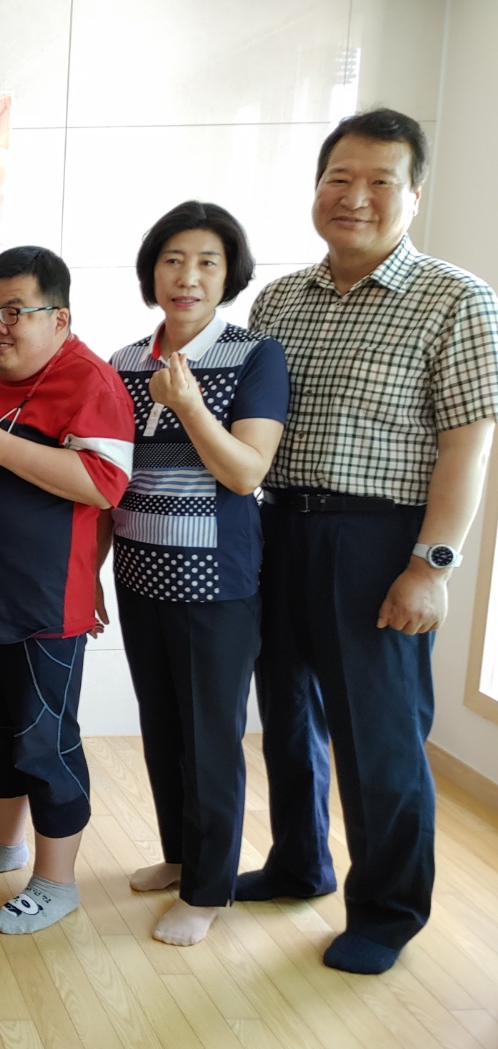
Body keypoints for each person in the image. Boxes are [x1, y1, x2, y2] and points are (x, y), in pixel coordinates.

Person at [239, 108, 498, 974]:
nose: (354, 197)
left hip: (381, 540)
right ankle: (297, 863)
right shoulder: (279, 299)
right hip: (279, 525)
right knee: (286, 716)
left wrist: (432, 564)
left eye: (380, 181)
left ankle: (387, 912)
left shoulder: (456, 299)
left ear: (413, 195)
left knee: (378, 739)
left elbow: (468, 447)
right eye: (338, 179)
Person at [0, 246, 133, 935]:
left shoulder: (91, 379)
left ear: (60, 317)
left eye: (15, 311)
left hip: (41, 607)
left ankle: (56, 881)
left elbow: (104, 484)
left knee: (44, 743)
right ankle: (2, 845)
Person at [102, 203, 287, 946]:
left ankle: (209, 891)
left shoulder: (254, 355)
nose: (188, 276)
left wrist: (187, 405)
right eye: (173, 260)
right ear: (152, 271)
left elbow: (246, 473)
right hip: (138, 572)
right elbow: (108, 480)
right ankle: (181, 858)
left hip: (216, 583)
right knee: (162, 727)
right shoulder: (123, 362)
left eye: (208, 262)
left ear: (229, 274)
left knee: (211, 737)